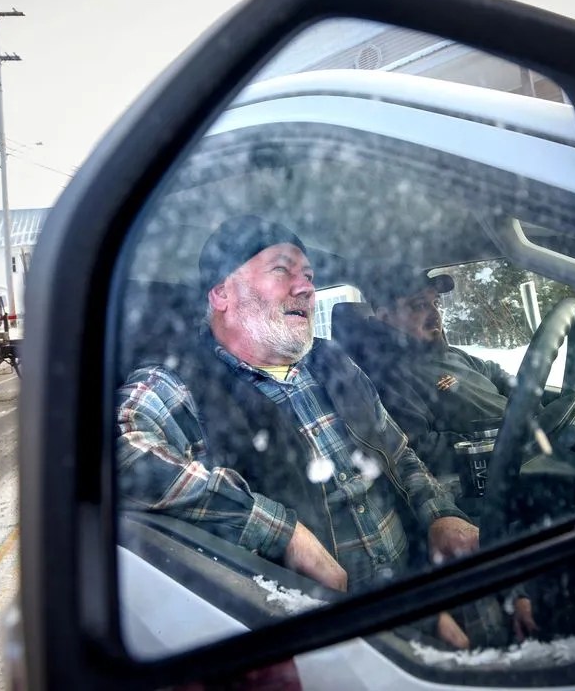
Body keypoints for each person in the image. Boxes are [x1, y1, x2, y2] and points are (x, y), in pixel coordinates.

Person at [116, 215, 520, 648]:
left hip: (417, 583)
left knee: (525, 605)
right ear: (222, 293)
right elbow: (113, 452)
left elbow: (399, 453)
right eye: (282, 270)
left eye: (308, 276)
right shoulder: (179, 383)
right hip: (325, 633)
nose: (305, 287)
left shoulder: (334, 363)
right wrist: (281, 532)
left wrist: (440, 514)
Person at [354, 269, 517, 481]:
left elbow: (495, 373)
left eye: (436, 303)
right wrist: (502, 440)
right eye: (420, 306)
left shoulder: (448, 353)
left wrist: (526, 401)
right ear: (385, 317)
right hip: (493, 473)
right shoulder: (387, 377)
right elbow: (422, 449)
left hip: (526, 444)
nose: (435, 315)